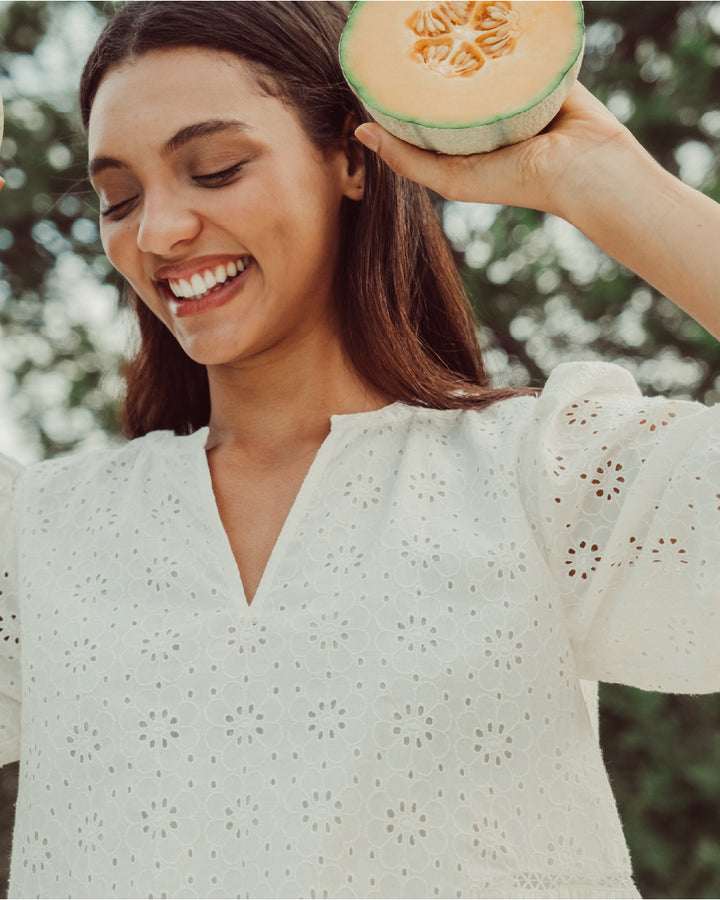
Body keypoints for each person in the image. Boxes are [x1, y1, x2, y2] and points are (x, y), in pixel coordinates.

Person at [0, 1, 718, 897]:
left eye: (215, 170)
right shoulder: (39, 533)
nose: (157, 233)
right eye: (120, 198)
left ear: (351, 157)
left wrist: (589, 172)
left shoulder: (544, 474)